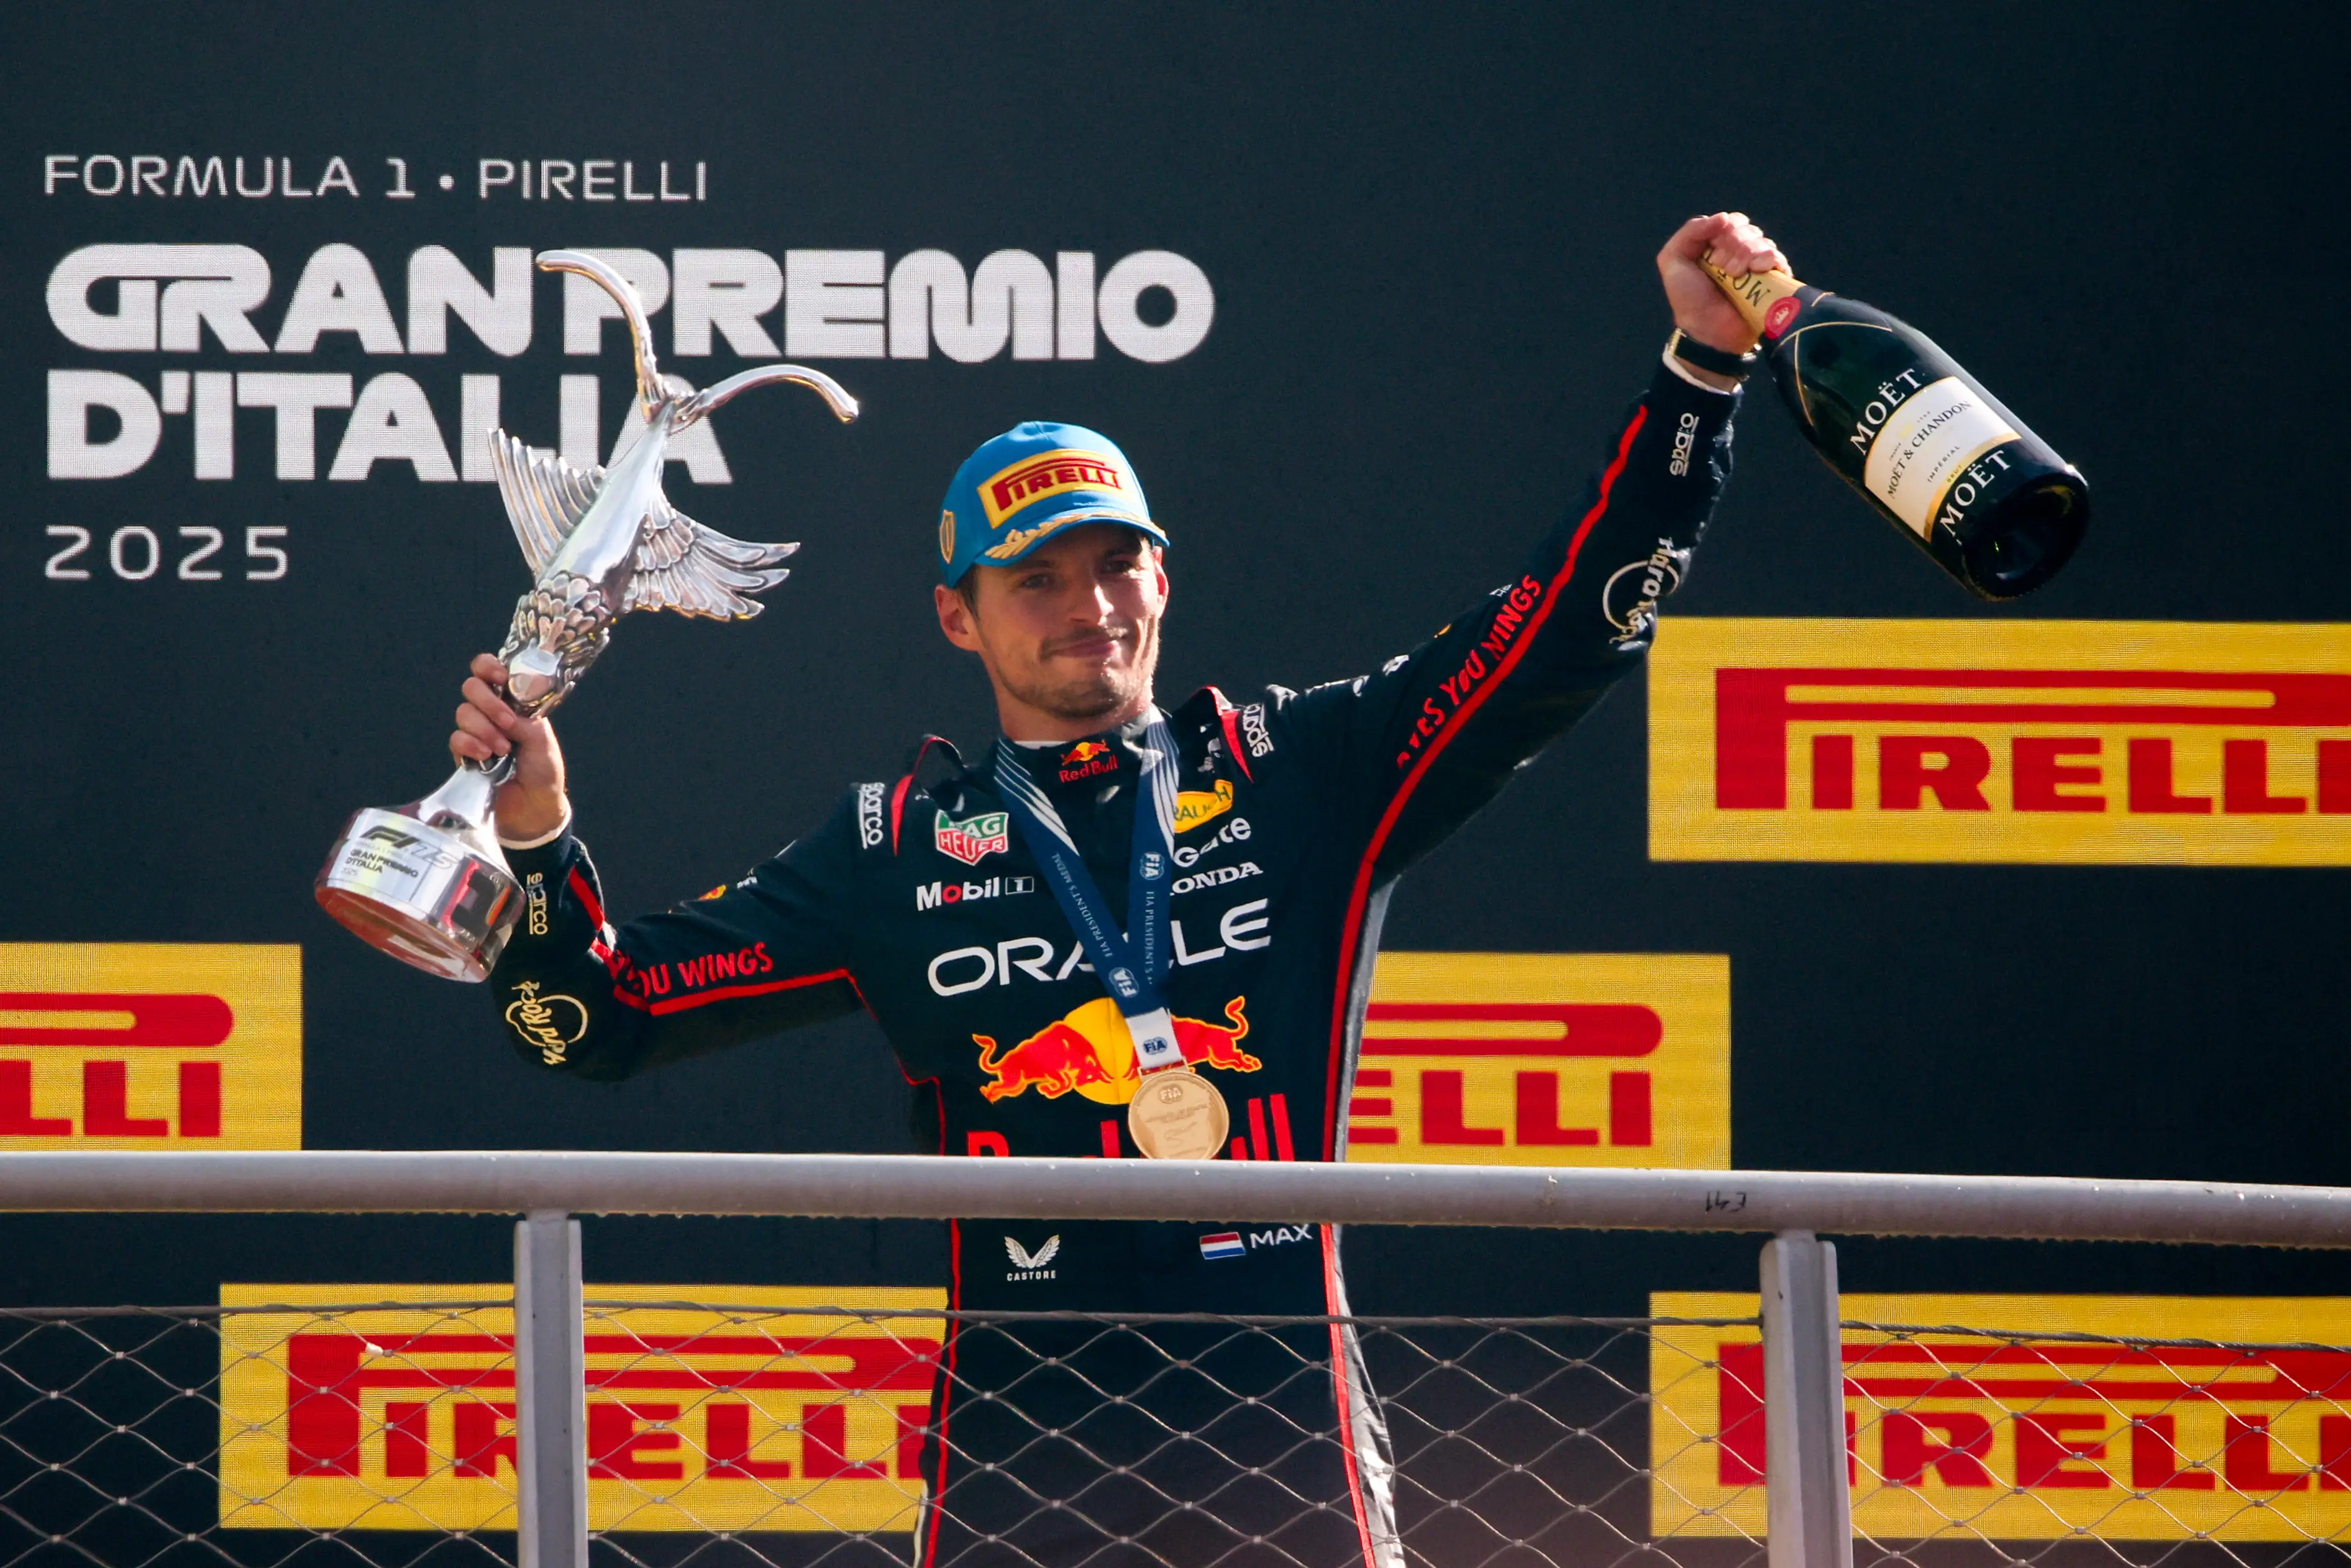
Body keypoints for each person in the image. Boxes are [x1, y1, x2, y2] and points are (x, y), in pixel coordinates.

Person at [456, 212, 1784, 1568]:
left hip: (1287, 1452)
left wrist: (1695, 382)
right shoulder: (896, 844)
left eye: (1112, 563)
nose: (1087, 605)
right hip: (1016, 1468)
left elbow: (1566, 626)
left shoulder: (1303, 769)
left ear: (1161, 571)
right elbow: (591, 1020)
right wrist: (541, 837)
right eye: (1036, 577)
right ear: (956, 617)